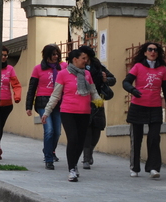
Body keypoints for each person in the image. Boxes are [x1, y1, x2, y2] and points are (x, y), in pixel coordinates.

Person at [42, 48, 101, 182]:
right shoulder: (63, 74)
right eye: (83, 58)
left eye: (86, 59)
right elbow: (56, 95)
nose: (86, 61)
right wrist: (47, 111)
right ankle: (72, 169)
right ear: (75, 59)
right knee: (73, 139)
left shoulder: (87, 74)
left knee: (80, 141)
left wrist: (98, 100)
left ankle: (74, 163)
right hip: (68, 111)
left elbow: (93, 91)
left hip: (84, 112)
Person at [122, 41, 166, 179]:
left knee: (154, 138)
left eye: (156, 50)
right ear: (145, 52)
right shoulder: (138, 67)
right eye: (150, 49)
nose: (153, 52)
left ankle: (153, 168)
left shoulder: (163, 70)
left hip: (155, 107)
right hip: (138, 106)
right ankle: (134, 167)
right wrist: (133, 90)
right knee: (136, 138)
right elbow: (126, 82)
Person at [25, 44, 66, 170]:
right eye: (53, 54)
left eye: (57, 54)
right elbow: (32, 88)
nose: (56, 56)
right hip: (43, 102)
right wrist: (28, 106)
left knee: (57, 132)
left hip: (58, 102)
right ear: (47, 55)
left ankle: (49, 150)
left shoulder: (63, 67)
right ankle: (48, 159)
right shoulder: (38, 69)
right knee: (49, 130)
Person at [79, 45, 116, 170]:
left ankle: (90, 152)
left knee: (97, 129)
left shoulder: (98, 66)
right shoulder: (77, 66)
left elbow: (113, 79)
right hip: (83, 100)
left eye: (84, 55)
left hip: (98, 101)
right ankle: (86, 158)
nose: (82, 58)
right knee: (87, 129)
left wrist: (106, 79)